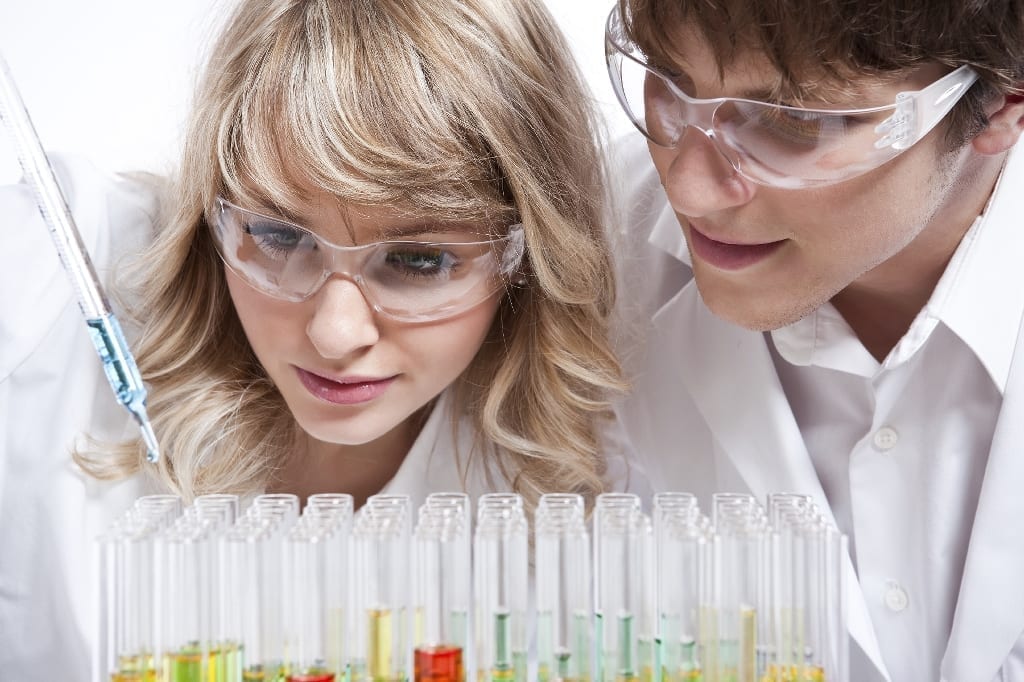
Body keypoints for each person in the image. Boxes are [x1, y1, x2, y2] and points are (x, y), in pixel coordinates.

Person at [0, 0, 626, 677]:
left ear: (531, 256)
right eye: (278, 237)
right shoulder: (58, 270)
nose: (335, 334)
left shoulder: (581, 473)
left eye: (418, 260)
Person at [603, 0, 1024, 679]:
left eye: (793, 123)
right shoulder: (579, 249)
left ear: (1006, 102)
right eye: (668, 81)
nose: (690, 190)